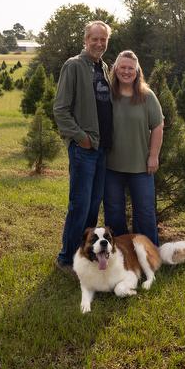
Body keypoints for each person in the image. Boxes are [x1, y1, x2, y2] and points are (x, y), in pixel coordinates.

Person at [53, 21, 113, 272]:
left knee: (93, 204)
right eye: (94, 39)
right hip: (84, 149)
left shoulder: (103, 67)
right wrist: (81, 138)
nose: (99, 43)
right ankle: (66, 259)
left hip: (101, 149)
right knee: (79, 205)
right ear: (85, 40)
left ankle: (83, 255)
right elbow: (61, 109)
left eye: (103, 39)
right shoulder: (74, 66)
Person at [103, 50, 164, 246]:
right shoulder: (108, 95)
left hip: (141, 167)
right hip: (111, 166)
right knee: (113, 211)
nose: (126, 72)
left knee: (145, 212)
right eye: (122, 67)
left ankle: (148, 253)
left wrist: (153, 156)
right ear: (115, 69)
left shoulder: (147, 96)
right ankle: (120, 253)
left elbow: (157, 126)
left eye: (131, 68)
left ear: (137, 71)